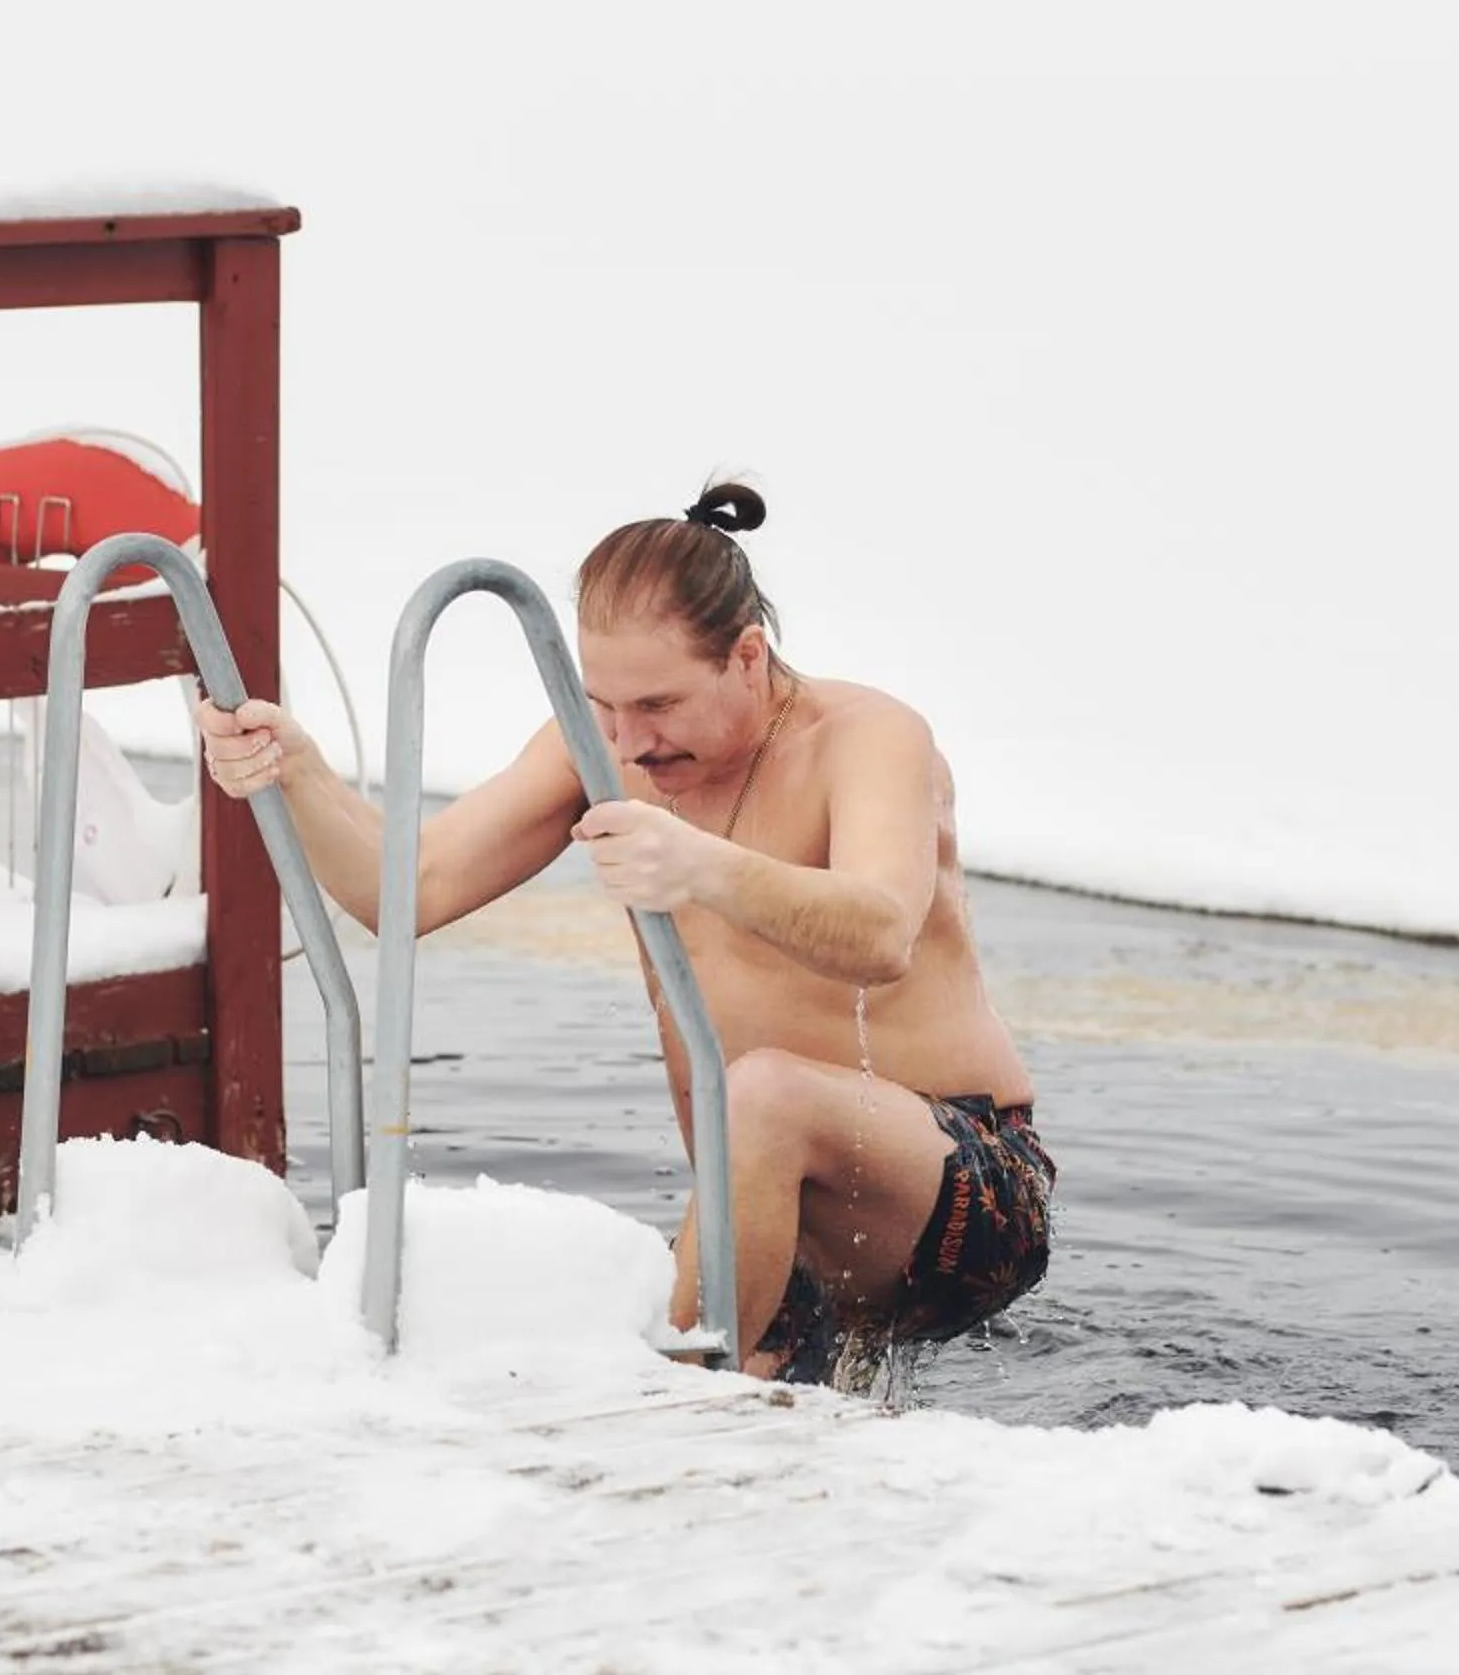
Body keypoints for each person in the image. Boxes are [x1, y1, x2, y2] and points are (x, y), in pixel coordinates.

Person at [194, 482, 1052, 1384]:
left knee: (759, 1098)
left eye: (660, 705)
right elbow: (403, 892)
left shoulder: (870, 738)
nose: (630, 742)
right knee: (766, 1439)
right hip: (776, 1215)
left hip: (963, 1189)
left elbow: (882, 934)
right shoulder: (597, 744)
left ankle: (659, 1411)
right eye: (605, 705)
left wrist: (704, 869)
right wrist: (296, 773)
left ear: (748, 657)